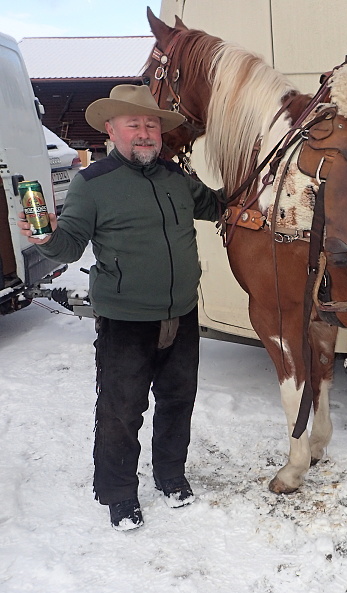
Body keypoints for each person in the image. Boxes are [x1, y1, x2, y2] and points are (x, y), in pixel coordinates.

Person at [17, 85, 223, 531]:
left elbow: (220, 205)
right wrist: (47, 237)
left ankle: (170, 476)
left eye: (151, 124)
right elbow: (69, 246)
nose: (145, 133)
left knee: (177, 401)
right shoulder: (93, 185)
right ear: (112, 130)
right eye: (134, 124)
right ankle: (118, 494)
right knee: (121, 410)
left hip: (182, 313)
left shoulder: (176, 179)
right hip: (126, 320)